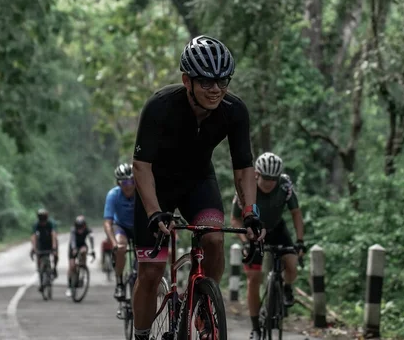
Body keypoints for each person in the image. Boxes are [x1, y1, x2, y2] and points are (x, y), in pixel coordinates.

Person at [131, 35, 266, 340]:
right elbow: (142, 166)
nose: (215, 89)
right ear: (186, 80)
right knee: (151, 272)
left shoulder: (234, 110)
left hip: (198, 182)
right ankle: (140, 335)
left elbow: (244, 166)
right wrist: (154, 212)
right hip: (157, 185)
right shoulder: (160, 106)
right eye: (205, 82)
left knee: (215, 240)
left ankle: (205, 304)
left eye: (222, 81)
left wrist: (250, 212)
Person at [231, 152, 306, 340]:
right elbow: (235, 219)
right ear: (257, 174)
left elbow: (296, 213)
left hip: (277, 229)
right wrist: (245, 242)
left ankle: (286, 288)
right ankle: (256, 328)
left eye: (274, 179)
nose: (269, 183)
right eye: (266, 178)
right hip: (254, 232)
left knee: (292, 263)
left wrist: (300, 241)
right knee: (254, 278)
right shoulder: (246, 188)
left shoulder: (285, 186)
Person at [103, 163, 136, 300]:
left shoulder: (141, 193)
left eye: (132, 181)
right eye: (124, 182)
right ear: (118, 183)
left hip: (137, 227)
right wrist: (113, 243)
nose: (128, 185)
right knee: (121, 247)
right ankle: (120, 283)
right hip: (121, 226)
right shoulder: (113, 195)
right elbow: (107, 223)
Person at [65, 215, 95, 297]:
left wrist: (92, 250)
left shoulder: (88, 230)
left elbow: (91, 239)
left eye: (81, 226)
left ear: (84, 225)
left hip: (82, 245)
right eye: (78, 226)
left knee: (84, 251)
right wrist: (74, 249)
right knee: (72, 266)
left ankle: (83, 267)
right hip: (72, 247)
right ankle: (69, 286)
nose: (79, 228)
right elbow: (73, 240)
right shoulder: (73, 230)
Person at [30, 208, 58, 292]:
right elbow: (34, 236)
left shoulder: (50, 223)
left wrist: (54, 247)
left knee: (56, 255)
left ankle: (55, 268)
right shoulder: (36, 224)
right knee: (39, 257)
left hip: (50, 242)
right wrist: (34, 248)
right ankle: (40, 272)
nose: (42, 220)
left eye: (44, 217)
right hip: (41, 244)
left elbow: (53, 234)